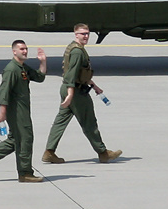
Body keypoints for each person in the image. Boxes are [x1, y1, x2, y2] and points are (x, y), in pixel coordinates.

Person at [42, 23, 121, 164]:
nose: (86, 36)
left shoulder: (74, 47)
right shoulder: (78, 52)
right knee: (89, 122)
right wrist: (71, 94)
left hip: (69, 88)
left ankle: (49, 152)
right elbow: (71, 74)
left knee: (60, 122)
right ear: (76, 34)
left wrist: (93, 85)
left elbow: (79, 73)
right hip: (75, 91)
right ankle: (103, 153)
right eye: (83, 33)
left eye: (87, 33)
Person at [0, 39, 47, 183]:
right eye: (21, 49)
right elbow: (3, 92)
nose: (24, 51)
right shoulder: (12, 69)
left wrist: (42, 62)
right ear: (14, 51)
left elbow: (39, 77)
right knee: (25, 139)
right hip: (16, 111)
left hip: (22, 110)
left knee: (15, 139)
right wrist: (2, 112)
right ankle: (25, 173)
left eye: (26, 49)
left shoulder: (22, 67)